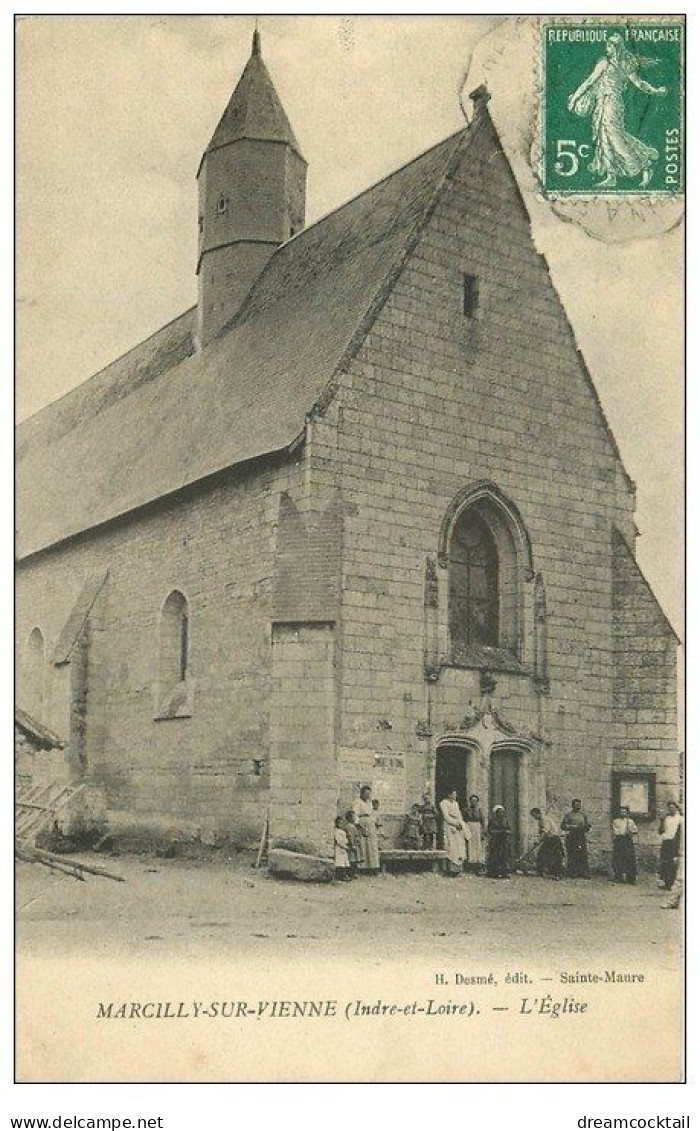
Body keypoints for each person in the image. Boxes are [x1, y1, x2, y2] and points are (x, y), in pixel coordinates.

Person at [566, 33, 667, 189]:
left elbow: (639, 83)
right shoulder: (606, 63)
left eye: (609, 46)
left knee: (614, 137)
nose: (607, 48)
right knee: (604, 136)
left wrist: (655, 91)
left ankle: (643, 165)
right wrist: (575, 98)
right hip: (602, 103)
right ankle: (611, 176)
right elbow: (589, 82)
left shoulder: (619, 64)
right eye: (607, 45)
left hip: (613, 104)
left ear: (615, 47)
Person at [530, 807, 564, 879]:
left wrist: (538, 840)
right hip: (549, 839)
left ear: (537, 813)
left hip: (552, 839)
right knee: (547, 856)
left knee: (545, 856)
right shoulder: (541, 820)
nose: (534, 817)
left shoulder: (544, 820)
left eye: (534, 815)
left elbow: (544, 832)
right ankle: (545, 872)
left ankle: (555, 874)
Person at [439, 790, 468, 876]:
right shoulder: (444, 803)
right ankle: (448, 869)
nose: (455, 796)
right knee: (451, 847)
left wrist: (460, 823)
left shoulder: (456, 804)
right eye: (453, 794)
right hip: (448, 826)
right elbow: (446, 816)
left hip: (457, 827)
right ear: (449, 794)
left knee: (459, 847)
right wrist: (454, 823)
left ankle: (457, 869)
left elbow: (459, 815)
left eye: (455, 794)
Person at [561, 799, 591, 878]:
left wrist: (586, 827)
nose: (578, 806)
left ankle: (583, 872)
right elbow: (563, 826)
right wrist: (573, 826)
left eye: (579, 805)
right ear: (572, 805)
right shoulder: (569, 815)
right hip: (572, 836)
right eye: (576, 805)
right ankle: (572, 872)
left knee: (582, 854)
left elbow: (587, 825)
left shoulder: (583, 815)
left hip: (581, 836)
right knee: (572, 854)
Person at [658, 801, 683, 891]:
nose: (671, 809)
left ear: (676, 808)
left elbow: (680, 833)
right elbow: (661, 831)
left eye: (673, 807)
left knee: (672, 863)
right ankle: (666, 882)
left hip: (674, 842)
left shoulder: (681, 819)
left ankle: (671, 883)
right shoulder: (666, 818)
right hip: (666, 842)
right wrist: (661, 821)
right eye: (669, 808)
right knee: (664, 862)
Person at [356, 786, 380, 874]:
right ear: (361, 793)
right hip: (362, 824)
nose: (367, 795)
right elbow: (355, 815)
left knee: (372, 846)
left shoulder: (369, 803)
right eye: (365, 793)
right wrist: (360, 827)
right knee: (363, 845)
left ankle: (373, 866)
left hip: (371, 825)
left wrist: (374, 822)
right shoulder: (357, 802)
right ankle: (363, 868)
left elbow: (372, 814)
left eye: (368, 794)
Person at [611, 806, 638, 884]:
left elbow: (635, 830)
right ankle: (618, 876)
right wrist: (622, 833)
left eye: (624, 812)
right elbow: (615, 832)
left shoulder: (630, 821)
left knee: (629, 858)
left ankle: (631, 878)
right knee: (618, 858)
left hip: (627, 841)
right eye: (621, 812)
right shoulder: (616, 821)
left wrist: (630, 831)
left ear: (627, 813)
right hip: (619, 841)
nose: (623, 813)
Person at [486, 805, 511, 879]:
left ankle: (504, 872)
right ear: (496, 813)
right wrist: (500, 832)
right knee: (495, 856)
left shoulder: (505, 820)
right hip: (495, 841)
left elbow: (509, 829)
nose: (501, 814)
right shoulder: (492, 820)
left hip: (504, 841)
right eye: (499, 812)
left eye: (502, 812)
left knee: (504, 856)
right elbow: (490, 830)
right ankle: (494, 872)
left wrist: (507, 832)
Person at [464, 794, 486, 873]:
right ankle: (470, 864)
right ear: (470, 802)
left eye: (475, 801)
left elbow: (482, 821)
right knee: (470, 846)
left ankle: (478, 864)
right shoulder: (466, 810)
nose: (473, 802)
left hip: (477, 829)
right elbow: (464, 820)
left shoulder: (479, 810)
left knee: (478, 846)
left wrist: (483, 831)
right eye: (472, 801)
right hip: (469, 827)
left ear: (477, 802)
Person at [343, 810, 360, 879]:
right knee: (351, 859)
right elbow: (350, 836)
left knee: (353, 859)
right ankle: (351, 873)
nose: (354, 819)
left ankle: (353, 873)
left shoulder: (352, 826)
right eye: (353, 817)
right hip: (351, 845)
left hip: (354, 844)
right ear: (349, 818)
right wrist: (352, 844)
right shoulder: (349, 826)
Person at [334, 816, 351, 881]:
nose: (341, 825)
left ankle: (344, 875)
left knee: (344, 862)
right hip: (339, 848)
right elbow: (339, 841)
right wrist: (344, 846)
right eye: (340, 823)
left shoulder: (342, 831)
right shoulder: (337, 831)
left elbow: (345, 840)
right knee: (339, 863)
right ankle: (340, 876)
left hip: (343, 849)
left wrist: (346, 843)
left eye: (342, 823)